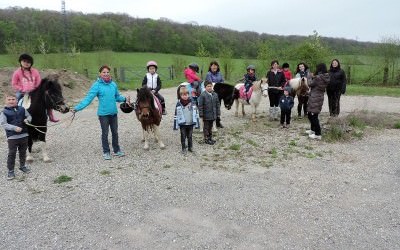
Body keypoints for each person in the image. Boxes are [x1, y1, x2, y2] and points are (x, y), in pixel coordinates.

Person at [71, 65, 128, 160]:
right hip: (103, 115)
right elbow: (88, 99)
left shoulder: (113, 84)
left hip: (114, 113)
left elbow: (117, 97)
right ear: (100, 74)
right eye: (104, 72)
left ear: (109, 73)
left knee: (115, 132)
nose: (106, 74)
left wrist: (125, 99)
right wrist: (77, 108)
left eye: (107, 72)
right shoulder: (96, 85)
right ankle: (106, 152)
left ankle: (117, 150)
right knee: (105, 133)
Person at [11, 53, 59, 122]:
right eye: (24, 61)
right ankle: (14, 116)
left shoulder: (35, 71)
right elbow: (14, 84)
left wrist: (36, 88)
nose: (26, 63)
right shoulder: (17, 72)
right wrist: (22, 89)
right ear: (20, 61)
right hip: (22, 92)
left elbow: (38, 81)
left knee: (47, 99)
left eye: (28, 62)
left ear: (31, 63)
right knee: (15, 99)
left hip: (35, 91)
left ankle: (50, 114)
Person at [0, 92, 32, 180]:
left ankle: (22, 166)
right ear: (5, 101)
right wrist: (14, 128)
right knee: (12, 153)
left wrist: (27, 120)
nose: (11, 101)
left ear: (17, 100)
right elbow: (3, 124)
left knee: (23, 152)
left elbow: (29, 116)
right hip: (12, 137)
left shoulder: (22, 109)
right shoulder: (4, 112)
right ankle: (10, 171)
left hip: (24, 135)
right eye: (9, 99)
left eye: (13, 99)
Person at [306, 63, 330, 140]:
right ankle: (312, 130)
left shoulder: (319, 77)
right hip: (318, 96)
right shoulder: (325, 77)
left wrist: (309, 77)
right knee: (310, 114)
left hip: (315, 97)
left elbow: (310, 84)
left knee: (313, 115)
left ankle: (318, 134)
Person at [173, 87, 200, 154]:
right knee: (183, 136)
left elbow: (196, 113)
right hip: (183, 124)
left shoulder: (192, 102)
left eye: (186, 94)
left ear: (188, 94)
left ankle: (190, 147)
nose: (185, 96)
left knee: (190, 136)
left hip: (190, 123)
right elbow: (176, 114)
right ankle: (183, 148)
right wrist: (175, 125)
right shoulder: (178, 104)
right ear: (180, 95)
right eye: (183, 95)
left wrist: (197, 123)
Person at [198, 81, 220, 145]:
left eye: (210, 86)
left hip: (213, 114)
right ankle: (206, 139)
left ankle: (210, 138)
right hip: (206, 115)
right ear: (205, 87)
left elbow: (217, 104)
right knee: (206, 127)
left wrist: (218, 113)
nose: (209, 87)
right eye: (208, 86)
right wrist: (201, 114)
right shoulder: (203, 95)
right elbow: (200, 105)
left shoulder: (215, 94)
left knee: (211, 127)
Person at [205, 60, 225, 128]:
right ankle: (210, 123)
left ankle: (218, 122)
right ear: (210, 67)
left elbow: (222, 81)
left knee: (218, 107)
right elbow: (210, 83)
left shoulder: (220, 73)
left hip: (219, 93)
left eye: (215, 65)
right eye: (213, 65)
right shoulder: (208, 74)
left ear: (217, 66)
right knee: (211, 108)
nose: (214, 67)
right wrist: (218, 85)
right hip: (211, 93)